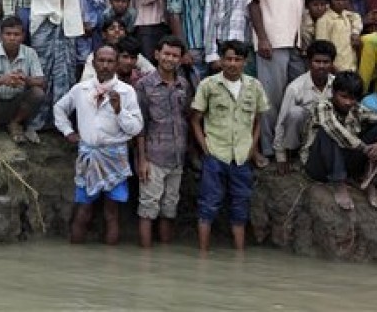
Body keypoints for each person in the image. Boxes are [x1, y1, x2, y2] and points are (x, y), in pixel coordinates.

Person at [54, 45, 144, 245]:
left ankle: (110, 268)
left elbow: (136, 128)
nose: (105, 65)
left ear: (116, 64)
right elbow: (59, 109)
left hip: (115, 157)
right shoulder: (81, 89)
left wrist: (119, 110)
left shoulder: (126, 92)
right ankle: (76, 259)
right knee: (83, 209)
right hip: (88, 156)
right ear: (93, 63)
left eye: (110, 61)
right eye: (101, 61)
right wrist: (68, 132)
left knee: (111, 213)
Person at [191, 40, 269, 251]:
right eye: (228, 58)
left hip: (242, 157)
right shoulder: (208, 85)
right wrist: (206, 149)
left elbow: (258, 121)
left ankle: (239, 257)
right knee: (207, 206)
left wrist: (252, 149)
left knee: (240, 207)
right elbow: (195, 120)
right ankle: (203, 257)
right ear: (221, 60)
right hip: (215, 154)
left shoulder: (255, 86)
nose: (232, 63)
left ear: (245, 61)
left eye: (237, 59)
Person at [24, 0, 84, 142]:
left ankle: (61, 124)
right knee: (42, 71)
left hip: (68, 21)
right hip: (45, 21)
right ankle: (37, 123)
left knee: (65, 73)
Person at [248, 0, 304, 162]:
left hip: (294, 40)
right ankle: (270, 149)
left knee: (294, 97)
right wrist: (262, 38)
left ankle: (289, 146)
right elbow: (254, 2)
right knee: (271, 99)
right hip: (272, 39)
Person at [135, 36, 191, 247]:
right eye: (166, 54)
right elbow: (139, 126)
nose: (170, 59)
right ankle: (145, 261)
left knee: (169, 209)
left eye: (175, 55)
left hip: (177, 157)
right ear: (157, 54)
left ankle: (165, 258)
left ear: (180, 59)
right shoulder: (143, 85)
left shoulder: (183, 85)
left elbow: (186, 118)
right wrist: (142, 160)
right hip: (153, 157)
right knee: (148, 209)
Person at [303, 72, 377, 210]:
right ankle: (339, 183)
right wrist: (365, 149)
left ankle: (368, 178)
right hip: (318, 165)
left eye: (353, 98)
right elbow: (334, 129)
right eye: (343, 96)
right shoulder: (322, 106)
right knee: (326, 131)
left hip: (345, 161)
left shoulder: (356, 109)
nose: (348, 102)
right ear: (333, 92)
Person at [0, 16, 45, 143]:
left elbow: (41, 82)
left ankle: (15, 123)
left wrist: (25, 79)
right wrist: (3, 80)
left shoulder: (30, 53)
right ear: (1, 35)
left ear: (23, 36)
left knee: (38, 93)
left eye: (16, 34)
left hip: (16, 103)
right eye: (8, 34)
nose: (12, 38)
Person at [274, 40, 336, 173]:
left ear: (332, 64)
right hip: (304, 134)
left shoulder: (337, 84)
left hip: (328, 132)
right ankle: (292, 154)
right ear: (309, 63)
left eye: (326, 62)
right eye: (317, 61)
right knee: (295, 113)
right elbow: (281, 121)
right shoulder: (295, 87)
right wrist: (280, 156)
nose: (321, 66)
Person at [315, 0, 362, 73]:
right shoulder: (324, 20)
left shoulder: (347, 15)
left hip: (351, 66)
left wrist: (355, 33)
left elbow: (357, 17)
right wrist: (330, 66)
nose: (341, 3)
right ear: (329, 0)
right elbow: (322, 47)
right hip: (335, 68)